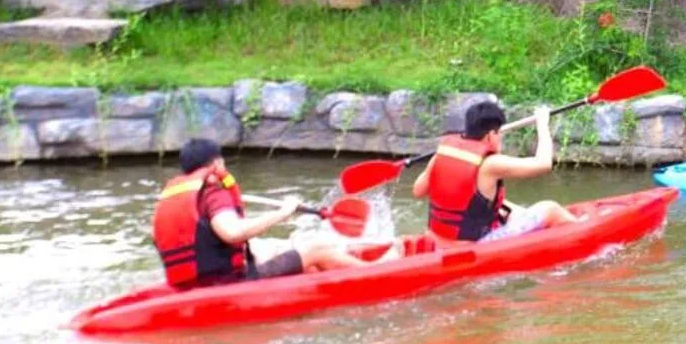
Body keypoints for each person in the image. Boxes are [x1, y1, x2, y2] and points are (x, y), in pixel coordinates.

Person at [154, 139, 386, 288]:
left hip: (196, 283)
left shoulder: (177, 195)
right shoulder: (214, 192)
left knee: (289, 254)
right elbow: (233, 234)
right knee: (317, 249)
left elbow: (209, 243)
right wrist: (283, 212)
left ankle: (338, 280)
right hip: (229, 283)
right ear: (216, 164)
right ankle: (381, 276)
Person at [413, 100, 580, 243]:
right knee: (550, 208)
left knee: (510, 208)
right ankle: (585, 233)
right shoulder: (491, 164)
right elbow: (543, 164)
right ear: (491, 135)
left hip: (438, 238)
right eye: (499, 134)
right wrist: (542, 124)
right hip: (474, 244)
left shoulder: (442, 154)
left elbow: (418, 191)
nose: (500, 138)